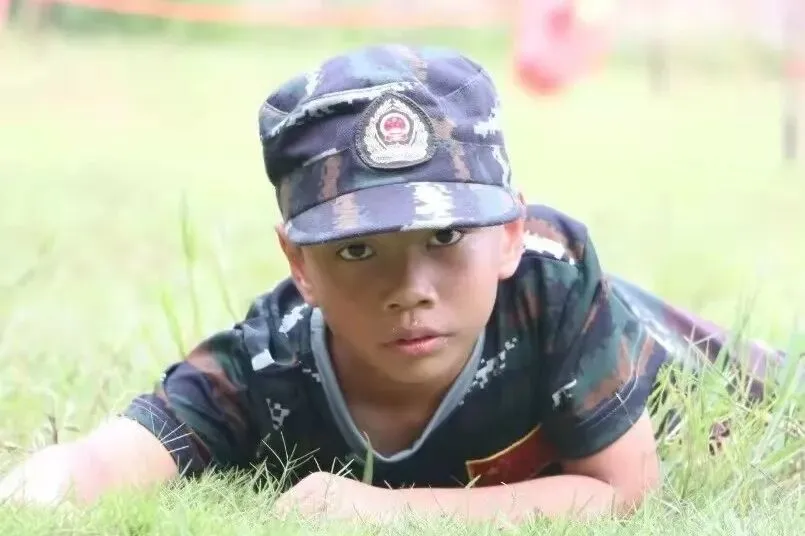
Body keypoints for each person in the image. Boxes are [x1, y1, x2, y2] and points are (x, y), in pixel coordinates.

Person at [0, 44, 785, 524]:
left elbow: (622, 489)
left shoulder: (550, 282)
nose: (409, 287)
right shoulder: (269, 363)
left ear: (510, 233)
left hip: (717, 378)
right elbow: (112, 458)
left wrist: (388, 510)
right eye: (356, 249)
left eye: (444, 237)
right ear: (298, 263)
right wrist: (32, 490)